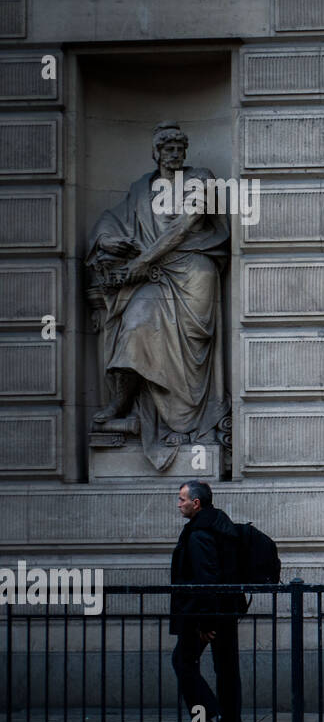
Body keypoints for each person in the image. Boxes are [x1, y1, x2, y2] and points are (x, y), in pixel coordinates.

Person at [87, 121, 230, 471]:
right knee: (135, 325)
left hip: (194, 271)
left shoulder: (202, 178)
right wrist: (105, 240)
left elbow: (184, 226)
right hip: (153, 277)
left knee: (193, 349)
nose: (176, 152)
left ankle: (191, 424)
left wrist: (142, 259)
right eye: (168, 147)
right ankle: (119, 406)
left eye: (181, 146)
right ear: (156, 153)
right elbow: (110, 221)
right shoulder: (141, 190)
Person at [170, 480, 243, 722]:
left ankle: (203, 720)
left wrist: (205, 623)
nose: (179, 504)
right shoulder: (220, 526)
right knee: (226, 669)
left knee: (183, 661)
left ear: (196, 503)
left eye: (182, 499)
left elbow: (206, 579)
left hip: (203, 614)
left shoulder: (199, 533)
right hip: (225, 610)